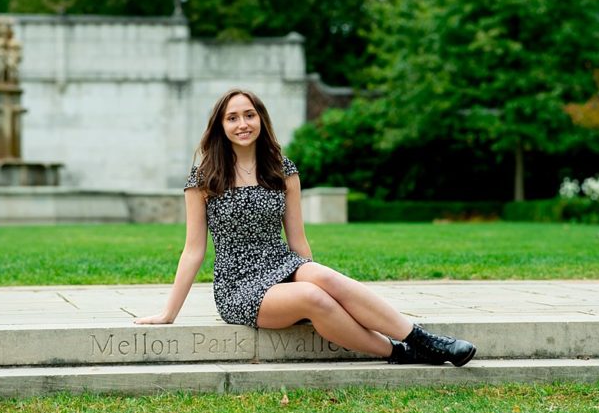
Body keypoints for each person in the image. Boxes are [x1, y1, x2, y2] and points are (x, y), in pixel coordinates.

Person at [144, 88, 477, 364]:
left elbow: (298, 241)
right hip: (239, 285)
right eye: (232, 118)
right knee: (312, 296)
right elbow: (193, 251)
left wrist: (312, 274)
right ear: (220, 126)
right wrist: (169, 312)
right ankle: (401, 352)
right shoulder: (204, 179)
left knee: (324, 279)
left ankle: (425, 340)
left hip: (282, 264)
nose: (242, 124)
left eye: (249, 115)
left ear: (261, 120)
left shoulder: (282, 170)